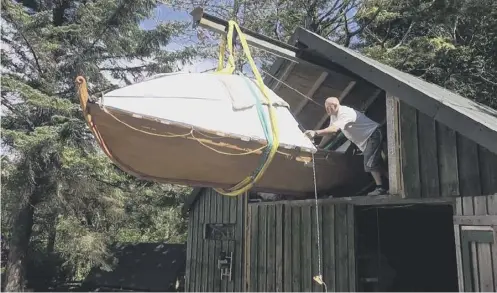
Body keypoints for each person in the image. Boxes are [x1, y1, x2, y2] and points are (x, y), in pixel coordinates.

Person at [304, 97, 388, 196]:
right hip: (368, 138)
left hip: (373, 134)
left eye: (328, 108)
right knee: (377, 164)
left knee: (369, 163)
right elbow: (330, 132)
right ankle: (390, 183)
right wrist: (321, 146)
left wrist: (315, 132)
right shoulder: (334, 115)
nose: (326, 110)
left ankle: (380, 188)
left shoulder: (345, 113)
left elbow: (334, 129)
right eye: (325, 108)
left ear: (335, 106)